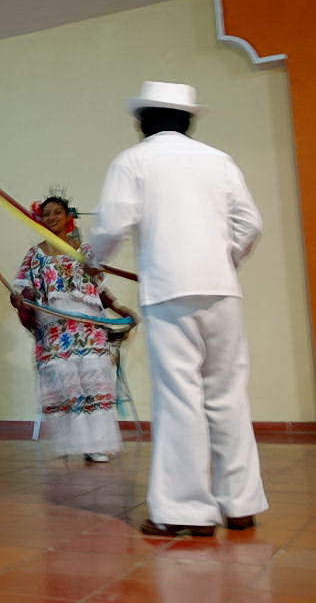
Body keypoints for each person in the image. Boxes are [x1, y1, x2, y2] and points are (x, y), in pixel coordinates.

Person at [87, 80, 267, 537]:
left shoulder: (133, 160)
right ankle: (240, 505)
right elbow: (250, 224)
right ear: (187, 121)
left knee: (180, 397)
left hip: (169, 291)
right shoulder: (218, 160)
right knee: (227, 395)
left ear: (142, 122)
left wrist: (92, 258)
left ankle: (186, 512)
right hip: (222, 291)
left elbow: (113, 223)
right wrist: (223, 259)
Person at [11, 194, 135, 463]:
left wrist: (117, 308)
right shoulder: (35, 255)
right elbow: (25, 290)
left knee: (93, 379)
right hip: (55, 328)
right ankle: (74, 441)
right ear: (40, 220)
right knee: (67, 384)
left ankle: (97, 444)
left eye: (57, 212)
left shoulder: (86, 252)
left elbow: (99, 288)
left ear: (68, 217)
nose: (51, 218)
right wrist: (21, 299)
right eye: (46, 214)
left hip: (88, 325)